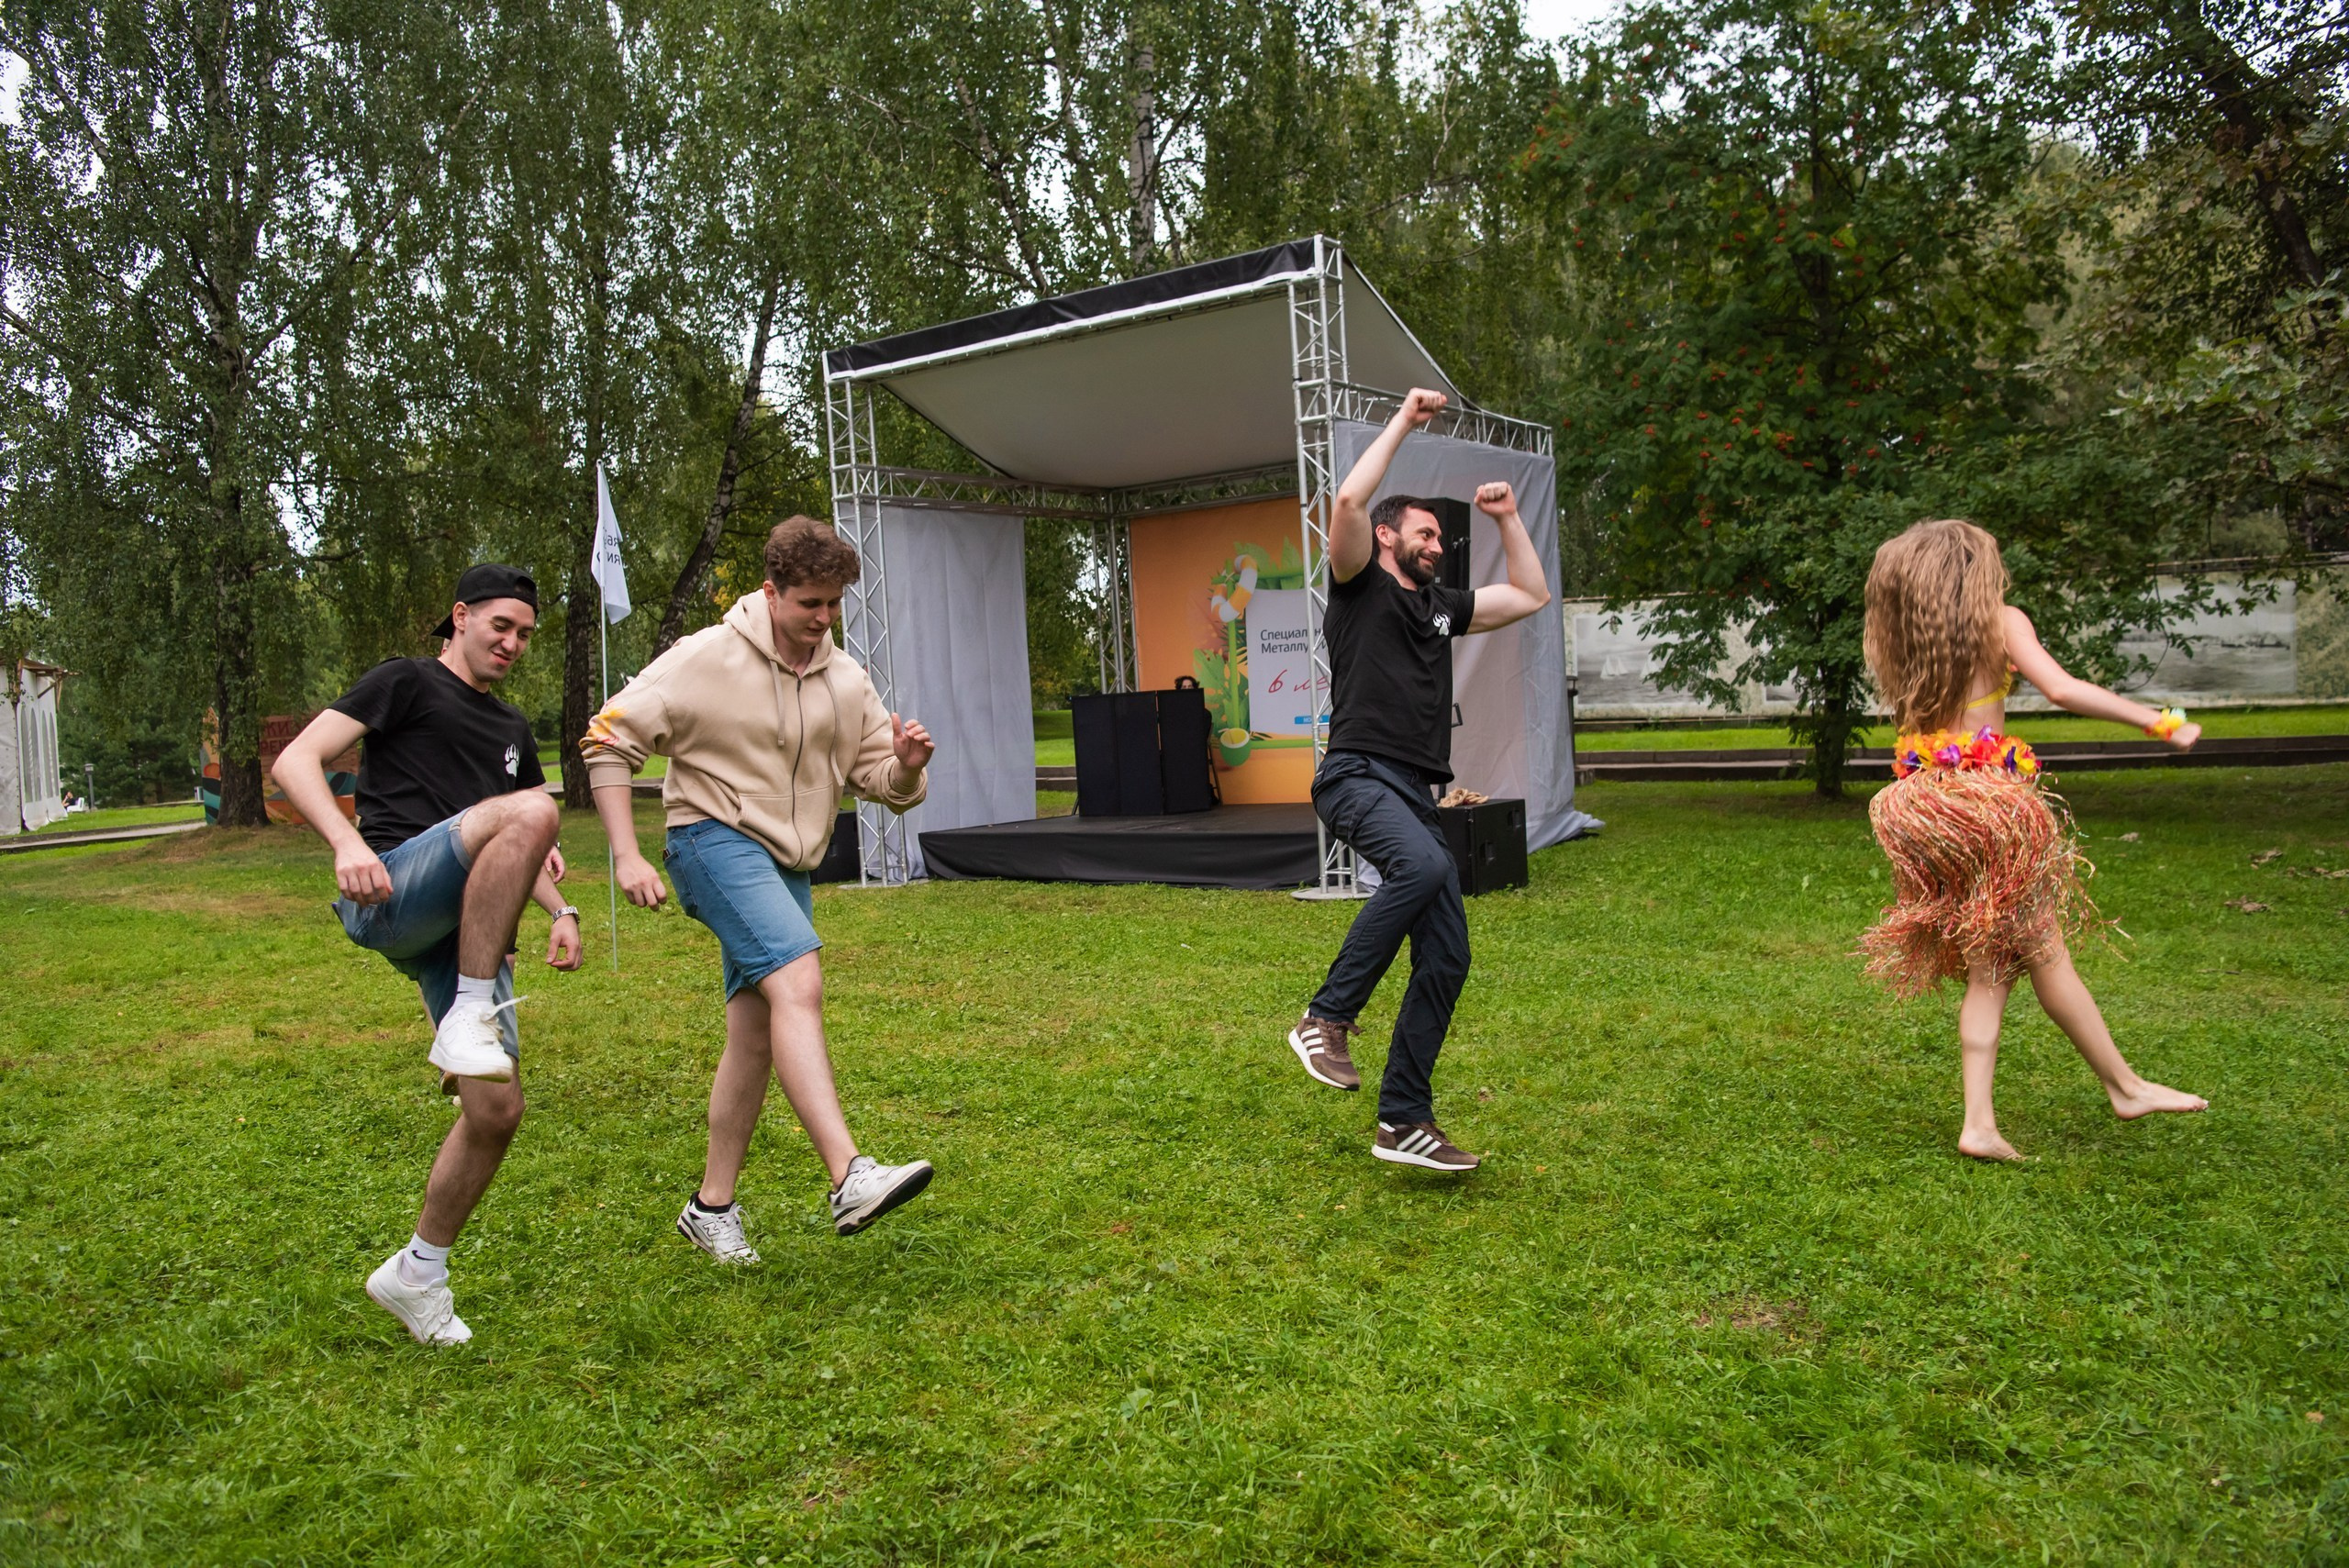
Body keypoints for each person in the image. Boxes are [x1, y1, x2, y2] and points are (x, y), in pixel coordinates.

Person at [584, 516, 937, 1262]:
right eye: (810, 602)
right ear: (771, 592)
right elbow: (608, 738)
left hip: (787, 863)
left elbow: (880, 779)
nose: (824, 617)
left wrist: (906, 765)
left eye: (834, 603)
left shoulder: (845, 679)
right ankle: (849, 1174)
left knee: (754, 1033)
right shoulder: (706, 657)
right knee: (799, 981)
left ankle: (711, 1207)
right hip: (709, 838)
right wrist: (625, 854)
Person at [275, 562, 582, 1346]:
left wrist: (559, 909)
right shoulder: (405, 682)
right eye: (500, 625)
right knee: (531, 809)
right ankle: (469, 1014)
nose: (512, 643)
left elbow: (518, 843)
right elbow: (295, 761)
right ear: (461, 616)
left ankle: (417, 1273)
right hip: (390, 891)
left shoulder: (510, 728)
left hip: (464, 931)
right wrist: (345, 842)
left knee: (496, 1110)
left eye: (525, 634)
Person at [1860, 518, 2209, 1161]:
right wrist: (2160, 722)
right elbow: (2062, 688)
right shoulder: (1999, 622)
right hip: (1990, 809)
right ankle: (2125, 1087)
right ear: (1975, 570)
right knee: (2044, 951)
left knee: (1991, 964)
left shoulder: (1907, 634)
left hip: (1927, 807)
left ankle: (1983, 1123)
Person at [1285, 388, 1553, 1172]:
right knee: (1427, 865)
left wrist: (1508, 517)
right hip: (1356, 773)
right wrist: (1404, 419)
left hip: (1412, 788)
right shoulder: (1357, 582)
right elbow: (1346, 499)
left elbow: (1530, 594)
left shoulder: (1441, 607)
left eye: (1440, 534)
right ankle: (1324, 1018)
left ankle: (1403, 1119)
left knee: (1448, 955)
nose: (1436, 543)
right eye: (1424, 532)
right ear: (1386, 536)